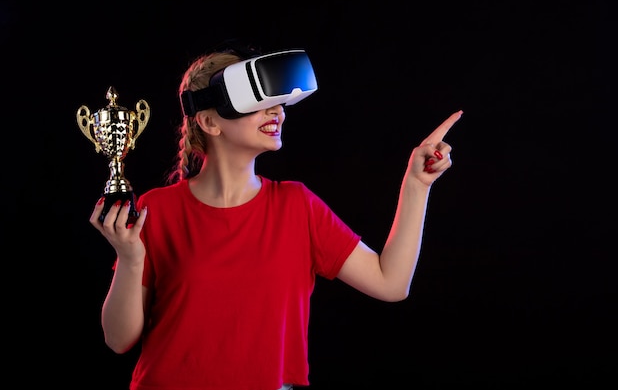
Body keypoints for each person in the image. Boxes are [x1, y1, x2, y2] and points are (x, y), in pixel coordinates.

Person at [89, 41, 463, 390]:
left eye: (279, 102)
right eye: (257, 101)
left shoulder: (296, 206)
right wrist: (130, 257)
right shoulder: (160, 209)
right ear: (209, 122)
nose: (277, 111)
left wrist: (417, 184)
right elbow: (118, 339)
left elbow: (391, 283)